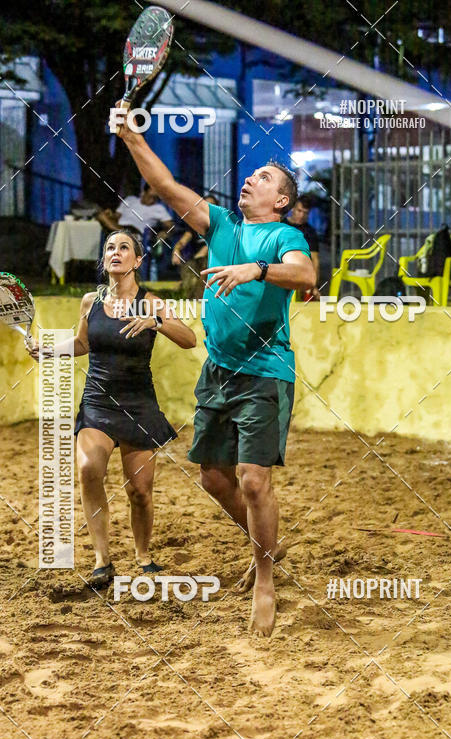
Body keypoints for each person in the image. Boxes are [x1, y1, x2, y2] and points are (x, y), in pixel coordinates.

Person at [115, 108, 316, 636]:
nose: (251, 178)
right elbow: (162, 183)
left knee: (254, 480)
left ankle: (267, 578)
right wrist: (130, 137)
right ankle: (265, 543)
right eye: (251, 174)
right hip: (219, 371)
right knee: (212, 478)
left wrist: (257, 269)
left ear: (282, 201)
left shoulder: (282, 238)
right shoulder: (221, 223)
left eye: (265, 178)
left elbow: (306, 273)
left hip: (266, 371)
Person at [26, 228, 197, 586]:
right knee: (89, 469)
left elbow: (189, 339)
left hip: (139, 404)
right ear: (104, 260)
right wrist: (48, 351)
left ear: (137, 260)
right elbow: (82, 343)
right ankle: (102, 561)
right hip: (98, 402)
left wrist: (157, 322)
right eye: (109, 248)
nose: (115, 252)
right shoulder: (90, 300)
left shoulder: (151, 302)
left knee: (140, 492)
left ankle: (143, 554)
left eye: (124, 248)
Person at [98, 183, 174, 278]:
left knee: (106, 221)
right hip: (120, 226)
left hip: (135, 232)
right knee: (101, 215)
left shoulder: (158, 209)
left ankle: (115, 233)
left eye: (155, 197)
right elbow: (116, 217)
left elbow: (171, 226)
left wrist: (165, 233)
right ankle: (116, 232)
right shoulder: (130, 200)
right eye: (150, 196)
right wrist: (110, 215)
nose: (152, 200)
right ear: (143, 192)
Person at [171, 194, 218, 300]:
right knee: (190, 269)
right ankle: (189, 297)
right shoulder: (195, 225)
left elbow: (211, 245)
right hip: (197, 261)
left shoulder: (219, 224)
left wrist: (200, 256)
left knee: (204, 263)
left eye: (211, 206)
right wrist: (176, 250)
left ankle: (199, 300)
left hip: (214, 260)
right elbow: (183, 241)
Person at [288, 195, 320, 286]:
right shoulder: (281, 225)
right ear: (293, 208)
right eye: (299, 211)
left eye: (305, 213)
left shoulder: (310, 232)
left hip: (301, 275)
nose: (302, 215)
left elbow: (315, 260)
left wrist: (314, 285)